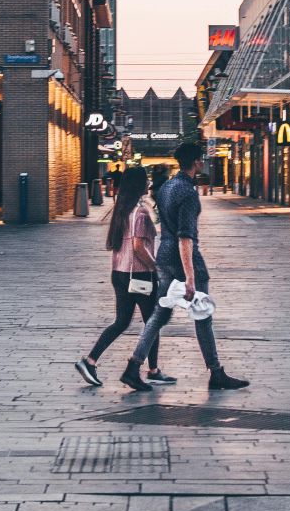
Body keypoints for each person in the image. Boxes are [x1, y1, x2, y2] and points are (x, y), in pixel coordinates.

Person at [120, 141, 248, 393]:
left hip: (164, 257)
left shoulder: (167, 187)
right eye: (201, 159)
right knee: (202, 315)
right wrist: (190, 277)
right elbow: (185, 237)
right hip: (185, 260)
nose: (202, 162)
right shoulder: (188, 193)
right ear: (197, 162)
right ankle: (216, 373)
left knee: (159, 314)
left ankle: (133, 368)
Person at [75, 166, 176, 388]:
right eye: (145, 180)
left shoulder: (122, 208)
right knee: (153, 322)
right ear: (138, 185)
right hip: (139, 274)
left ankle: (90, 361)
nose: (148, 183)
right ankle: (152, 370)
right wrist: (156, 268)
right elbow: (139, 246)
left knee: (122, 321)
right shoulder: (139, 212)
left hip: (119, 272)